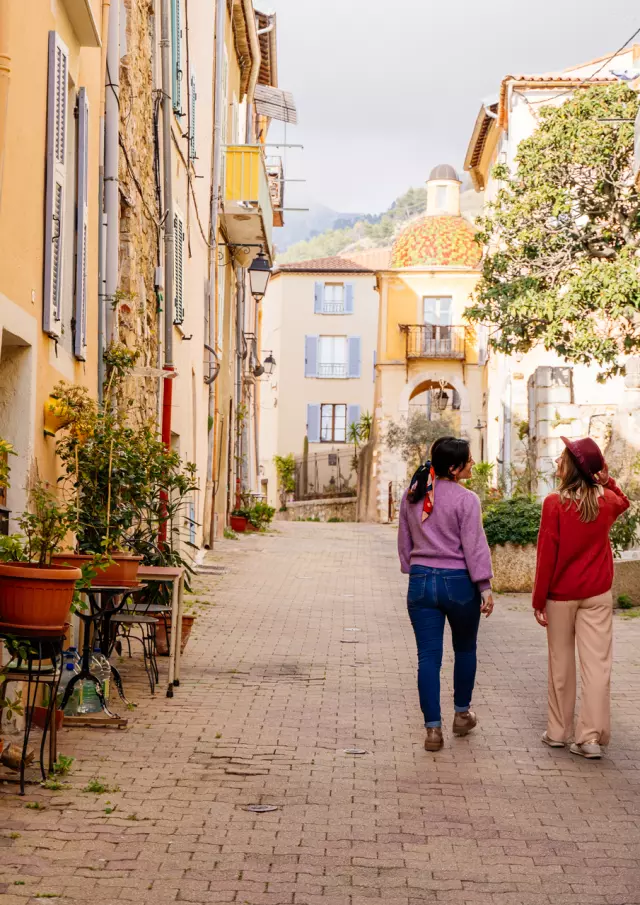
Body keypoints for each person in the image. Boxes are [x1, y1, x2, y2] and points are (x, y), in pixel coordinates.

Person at [532, 436, 629, 759]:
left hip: (560, 595)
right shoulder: (606, 502)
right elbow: (623, 501)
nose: (558, 462)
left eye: (562, 458)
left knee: (561, 664)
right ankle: (590, 738)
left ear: (572, 467)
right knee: (598, 667)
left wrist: (538, 599)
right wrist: (607, 479)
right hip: (598, 593)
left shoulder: (554, 504)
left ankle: (558, 732)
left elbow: (547, 555)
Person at [398, 436, 494, 752]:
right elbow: (474, 546)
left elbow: (404, 543)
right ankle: (462, 714)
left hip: (422, 581)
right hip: (459, 583)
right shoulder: (467, 500)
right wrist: (484, 586)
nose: (472, 464)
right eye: (468, 460)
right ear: (454, 468)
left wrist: (414, 568)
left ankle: (432, 731)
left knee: (428, 657)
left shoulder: (412, 497)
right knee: (465, 649)